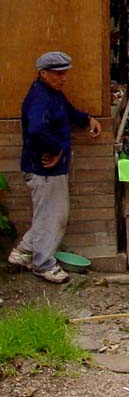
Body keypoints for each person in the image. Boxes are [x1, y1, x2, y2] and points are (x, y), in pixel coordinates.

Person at [8, 52, 101, 283]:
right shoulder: (40, 98)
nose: (64, 78)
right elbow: (36, 130)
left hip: (49, 169)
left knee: (50, 214)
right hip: (43, 169)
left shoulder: (52, 94)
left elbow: (68, 112)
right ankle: (43, 263)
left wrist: (87, 118)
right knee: (53, 216)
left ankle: (24, 252)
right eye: (59, 73)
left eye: (65, 72)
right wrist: (57, 149)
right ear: (43, 73)